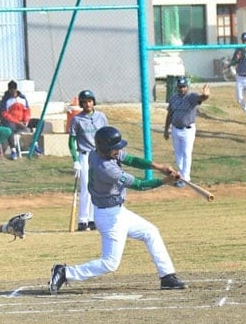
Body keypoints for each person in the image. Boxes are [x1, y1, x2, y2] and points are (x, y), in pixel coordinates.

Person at [49, 126, 186, 295]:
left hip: (120, 212)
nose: (118, 150)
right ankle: (65, 272)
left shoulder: (96, 152)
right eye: (115, 148)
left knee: (151, 232)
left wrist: (158, 166)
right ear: (106, 149)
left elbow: (131, 160)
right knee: (110, 263)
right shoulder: (106, 169)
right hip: (109, 217)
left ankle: (167, 277)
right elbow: (140, 185)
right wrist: (166, 180)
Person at [68, 89, 108, 231]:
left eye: (89, 101)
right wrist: (76, 160)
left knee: (97, 187)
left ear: (93, 102)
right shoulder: (77, 119)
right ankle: (82, 220)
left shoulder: (101, 117)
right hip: (84, 155)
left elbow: (106, 137)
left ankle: (93, 219)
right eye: (84, 102)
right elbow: (71, 142)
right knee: (85, 187)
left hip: (98, 155)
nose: (87, 104)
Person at [163, 77, 210, 188]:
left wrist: (206, 94)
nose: (181, 89)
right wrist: (166, 129)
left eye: (183, 87)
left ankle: (185, 178)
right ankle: (181, 175)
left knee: (186, 153)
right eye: (180, 87)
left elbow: (202, 98)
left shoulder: (191, 97)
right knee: (178, 153)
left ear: (187, 87)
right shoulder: (173, 98)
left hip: (188, 130)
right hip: (175, 129)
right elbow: (170, 114)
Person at [0, 80, 31, 160]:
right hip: (13, 122)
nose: (13, 92)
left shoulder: (22, 98)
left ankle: (34, 144)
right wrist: (18, 122)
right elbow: (5, 114)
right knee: (9, 128)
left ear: (16, 89)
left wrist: (26, 120)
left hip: (23, 121)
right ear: (9, 90)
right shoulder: (5, 100)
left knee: (40, 122)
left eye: (14, 90)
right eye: (11, 90)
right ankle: (13, 150)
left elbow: (27, 110)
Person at [229, 32, 246, 124]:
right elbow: (233, 62)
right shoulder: (239, 48)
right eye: (243, 40)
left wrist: (245, 55)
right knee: (239, 98)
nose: (245, 42)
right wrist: (236, 59)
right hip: (240, 76)